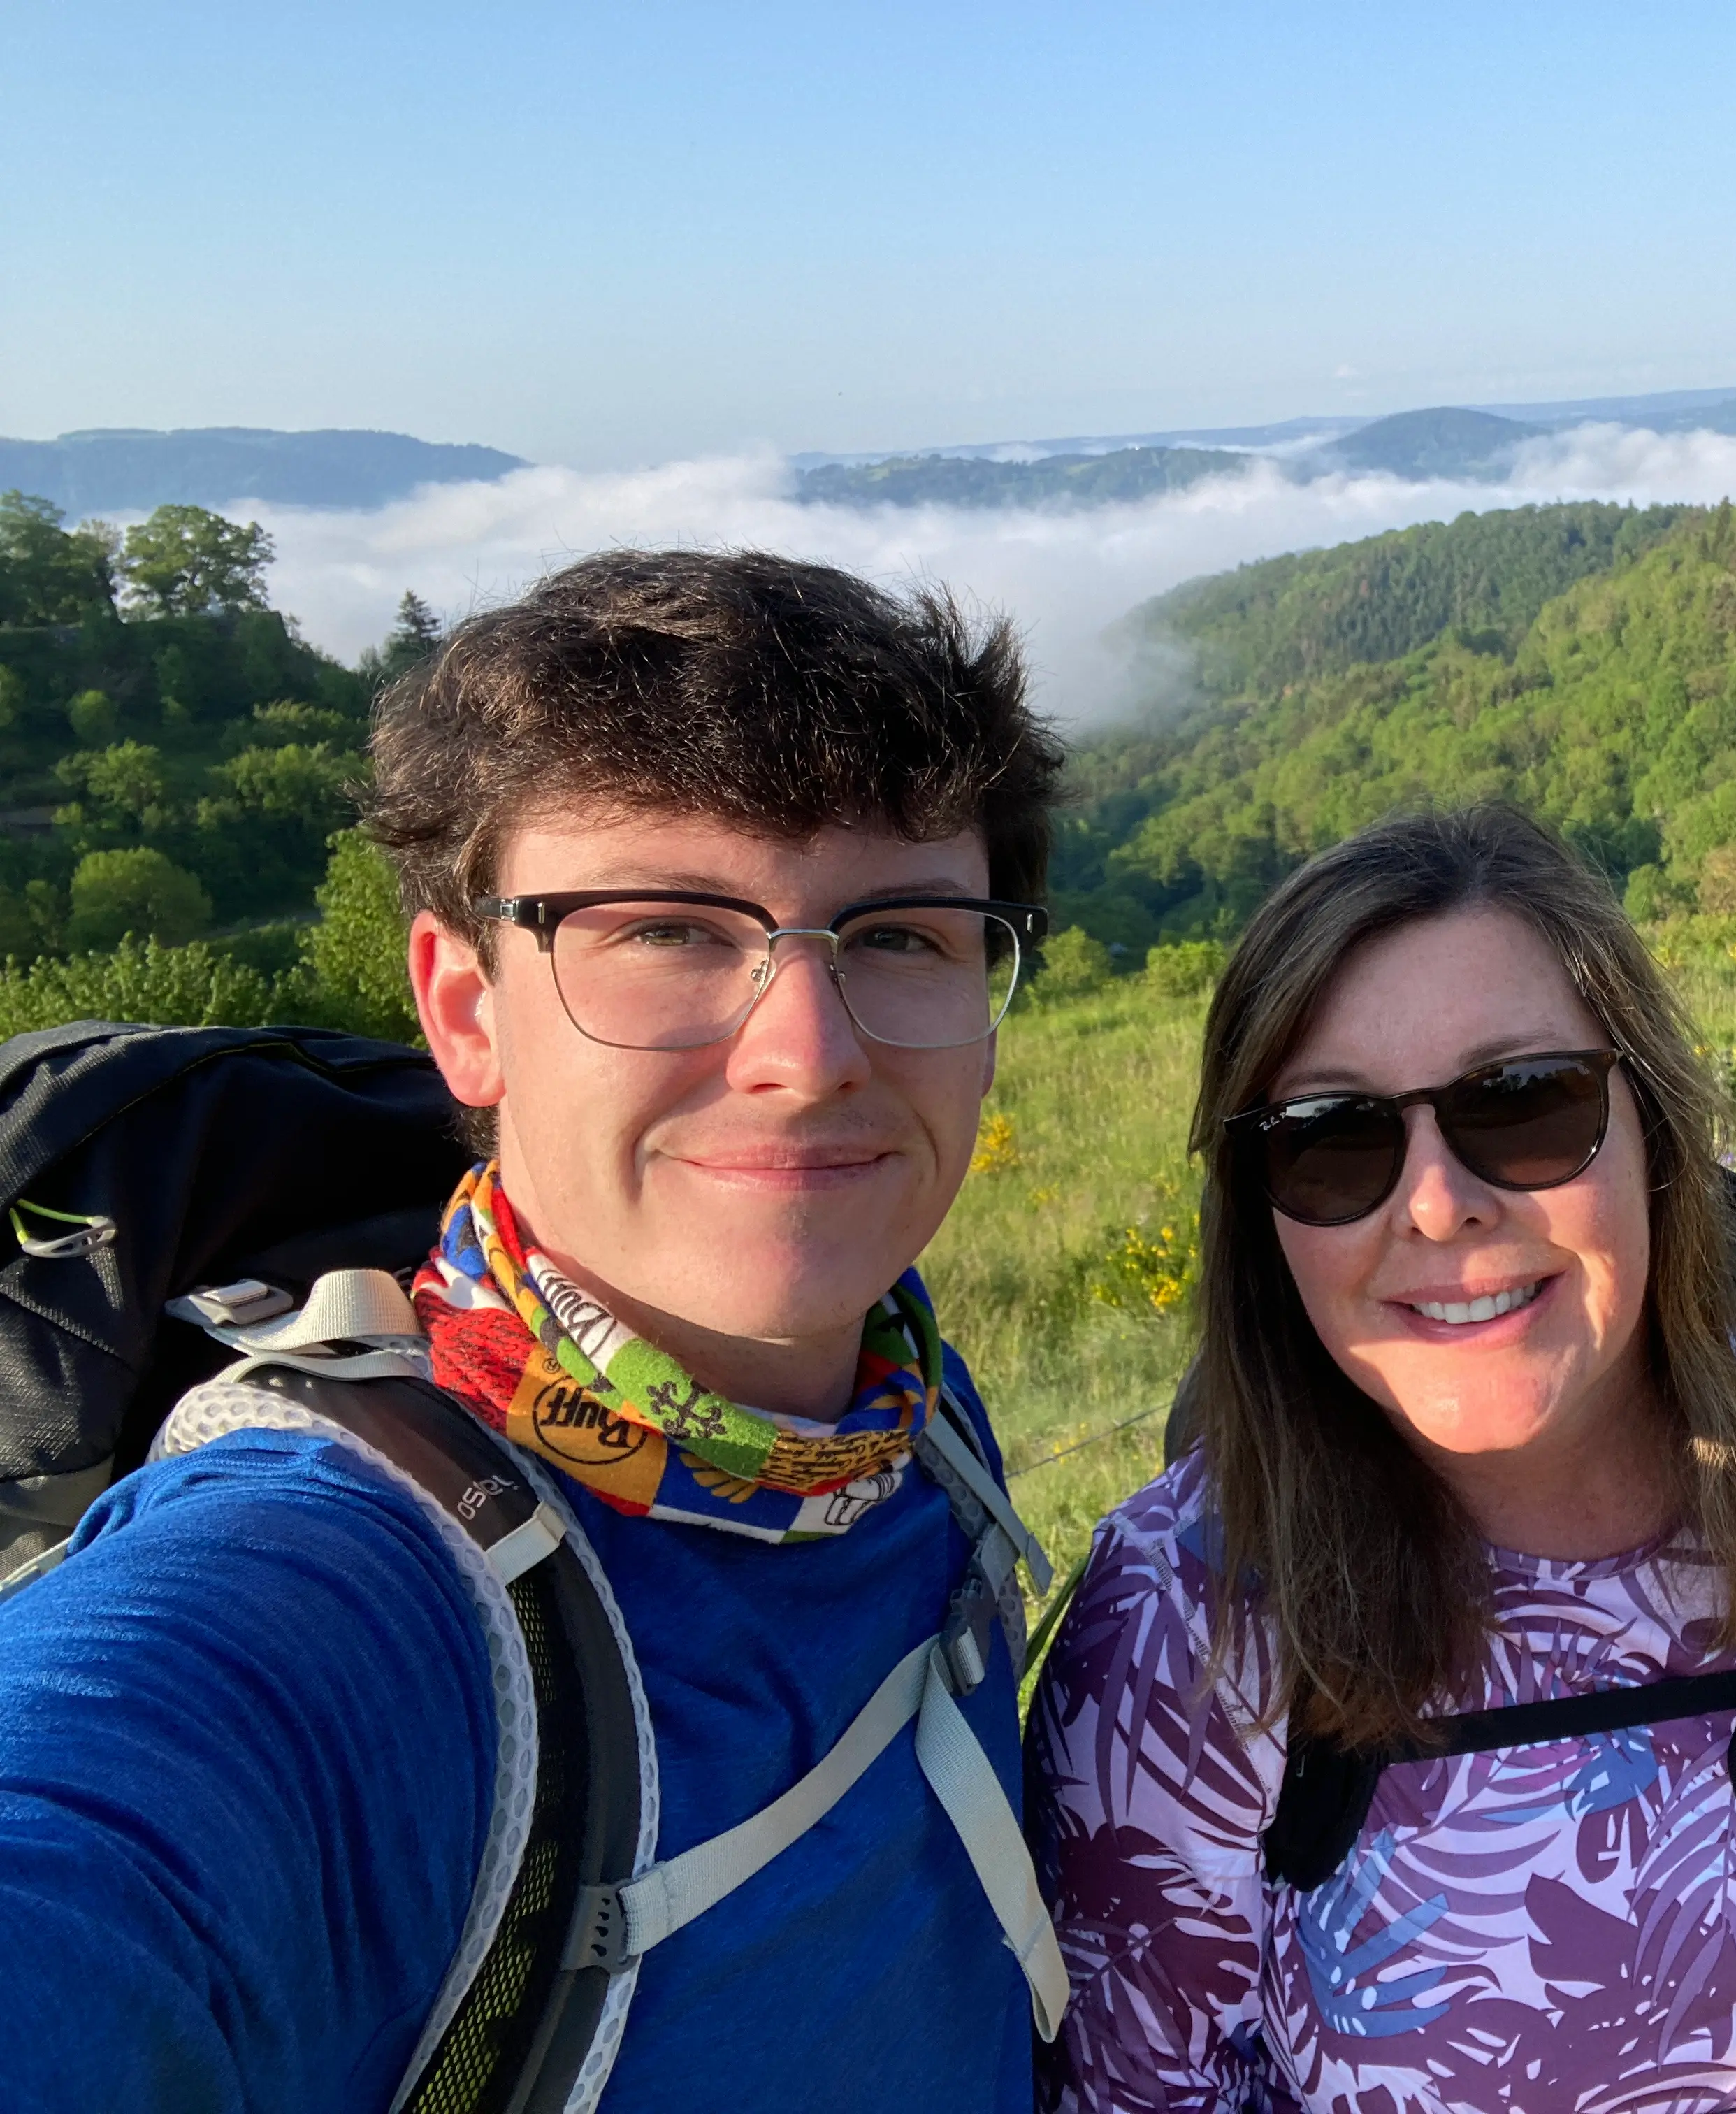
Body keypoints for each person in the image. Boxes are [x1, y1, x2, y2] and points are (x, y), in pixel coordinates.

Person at [0, 551, 1066, 2111]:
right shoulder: (337, 1602)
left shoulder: (899, 1405)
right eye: (668, 931)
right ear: (464, 1008)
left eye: (901, 934)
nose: (807, 1053)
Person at [1027, 805, 1736, 2113]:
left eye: (1522, 1105)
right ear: (1262, 1218)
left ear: (1653, 1126)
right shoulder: (1179, 1633)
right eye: (1332, 1137)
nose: (1434, 1203)